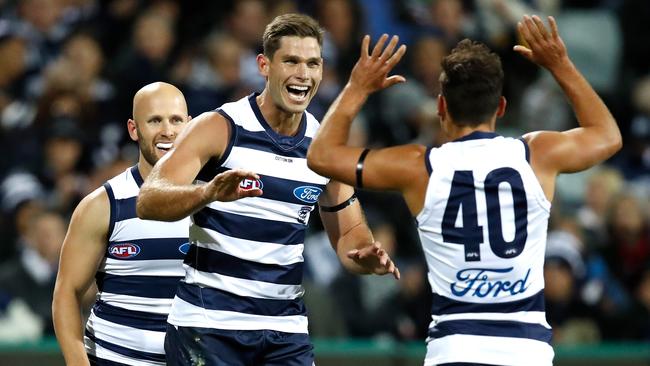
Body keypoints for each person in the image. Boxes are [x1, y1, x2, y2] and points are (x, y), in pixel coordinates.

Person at [307, 15, 622, 366]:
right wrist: (559, 64)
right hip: (526, 352)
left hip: (455, 350)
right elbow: (608, 136)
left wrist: (357, 88)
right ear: (501, 108)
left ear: (441, 108)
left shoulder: (417, 167)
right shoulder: (536, 156)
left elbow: (321, 155)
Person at [136, 13, 399, 366]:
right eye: (290, 61)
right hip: (208, 326)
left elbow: (349, 232)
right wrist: (207, 193)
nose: (302, 74)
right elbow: (149, 200)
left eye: (312, 64)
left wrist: (365, 255)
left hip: (284, 331)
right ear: (264, 65)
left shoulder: (323, 148)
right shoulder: (219, 127)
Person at [52, 82, 255, 366]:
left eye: (175, 120)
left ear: (190, 124)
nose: (167, 131)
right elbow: (67, 294)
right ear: (134, 129)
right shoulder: (103, 205)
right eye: (155, 120)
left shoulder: (218, 195)